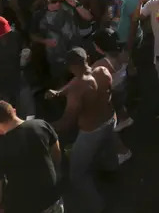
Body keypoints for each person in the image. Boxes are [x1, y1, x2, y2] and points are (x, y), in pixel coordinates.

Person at [47, 47, 116, 213]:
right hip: (110, 121)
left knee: (77, 175)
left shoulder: (78, 89)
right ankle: (112, 174)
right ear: (88, 58)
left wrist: (43, 125)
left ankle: (98, 207)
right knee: (106, 152)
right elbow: (82, 82)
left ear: (70, 67)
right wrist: (59, 93)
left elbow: (66, 122)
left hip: (91, 131)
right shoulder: (103, 70)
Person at [0, 100, 63, 213]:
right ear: (14, 112)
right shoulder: (41, 125)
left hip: (27, 207)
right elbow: (56, 153)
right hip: (53, 198)